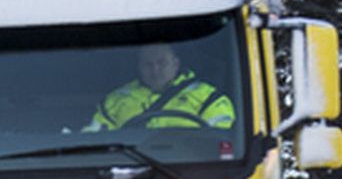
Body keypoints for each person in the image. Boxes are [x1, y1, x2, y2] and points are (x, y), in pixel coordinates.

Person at [88, 43, 235, 131]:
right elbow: (94, 142)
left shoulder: (209, 99)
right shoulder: (114, 102)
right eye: (148, 64)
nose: (155, 70)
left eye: (162, 63)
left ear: (176, 64)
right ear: (139, 67)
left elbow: (220, 142)